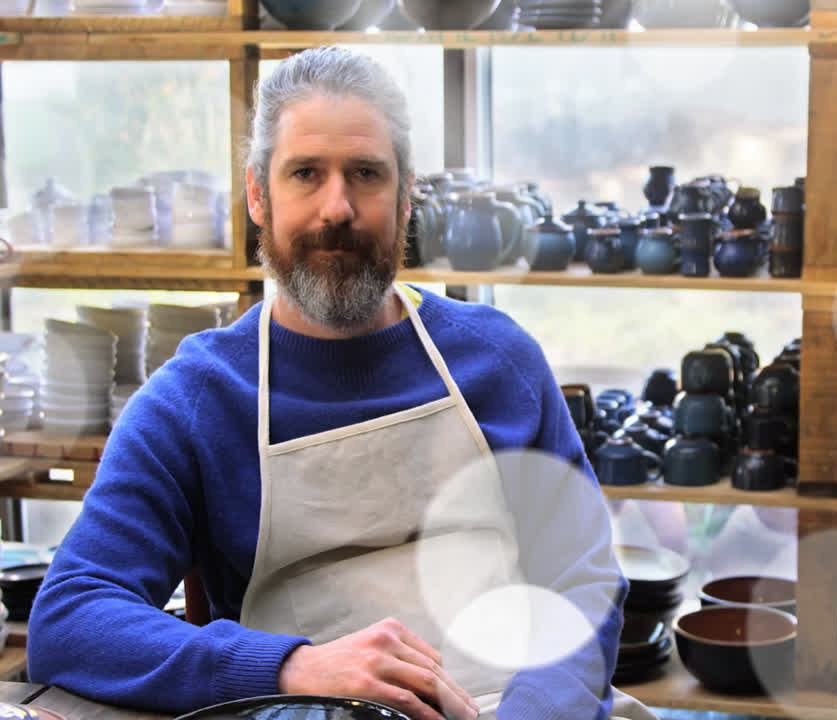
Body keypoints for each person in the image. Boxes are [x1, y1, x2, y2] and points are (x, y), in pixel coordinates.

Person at [28, 46, 655, 720]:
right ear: (258, 197)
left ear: (406, 195)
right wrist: (291, 666)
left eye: (365, 174)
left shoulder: (498, 359)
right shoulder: (196, 401)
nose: (338, 207)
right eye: (305, 174)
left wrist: (534, 709)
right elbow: (70, 617)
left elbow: (582, 578)